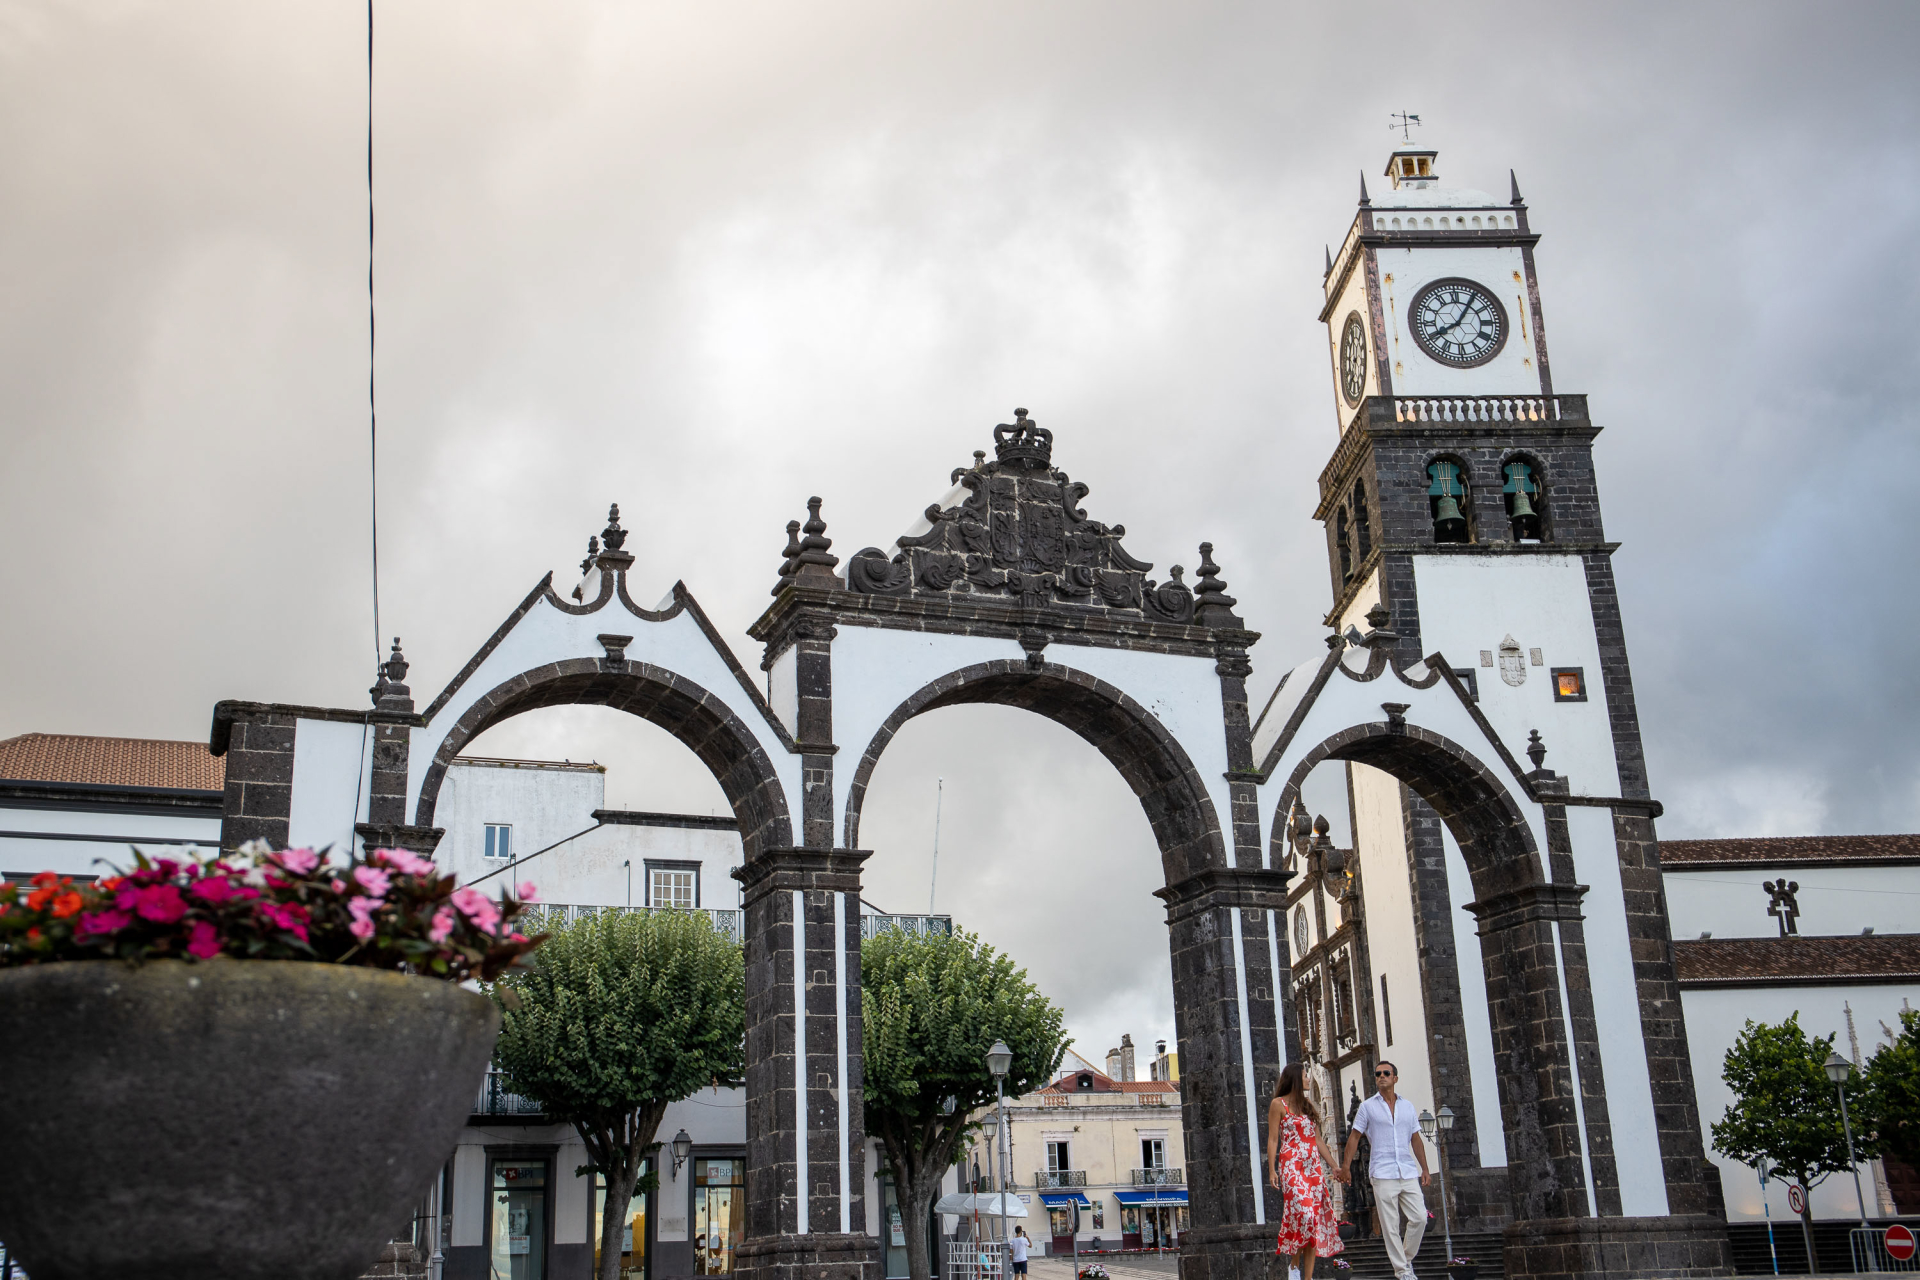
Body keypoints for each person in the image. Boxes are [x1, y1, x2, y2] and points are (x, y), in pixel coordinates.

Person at [1341, 1060, 1430, 1280]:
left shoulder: (1407, 1106)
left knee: (1420, 1218)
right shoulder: (1368, 1107)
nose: (1381, 1076)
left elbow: (1416, 1139)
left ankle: (1406, 1260)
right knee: (1391, 1226)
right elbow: (1354, 1137)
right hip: (1382, 1172)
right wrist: (1345, 1167)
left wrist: (1425, 1169)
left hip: (1407, 1171)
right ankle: (1402, 1272)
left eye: (1386, 1073)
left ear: (1395, 1078)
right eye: (1378, 1073)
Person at [1267, 1062, 1344, 1280]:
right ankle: (1293, 1265)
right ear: (1295, 1079)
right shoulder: (1278, 1104)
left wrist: (1334, 1167)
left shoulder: (1309, 1106)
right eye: (1305, 1075)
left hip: (1313, 1168)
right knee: (1306, 1215)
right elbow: (1273, 1139)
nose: (1308, 1079)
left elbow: (1318, 1140)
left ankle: (1307, 1277)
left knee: (1314, 1223)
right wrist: (1272, 1170)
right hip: (1291, 1166)